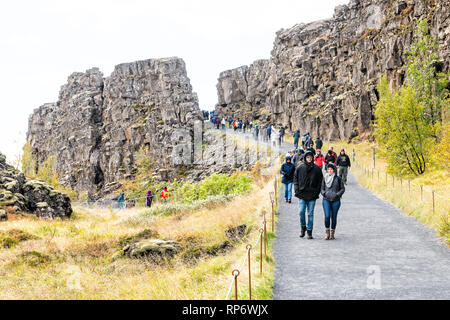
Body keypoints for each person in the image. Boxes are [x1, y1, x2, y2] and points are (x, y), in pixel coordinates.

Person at [293, 151, 323, 239]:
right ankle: (303, 228)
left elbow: (320, 181)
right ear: (305, 158)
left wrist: (317, 192)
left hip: (312, 195)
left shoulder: (317, 169)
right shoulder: (300, 167)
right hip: (302, 194)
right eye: (307, 157)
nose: (309, 159)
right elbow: (295, 178)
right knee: (301, 212)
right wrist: (296, 189)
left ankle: (309, 231)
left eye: (310, 157)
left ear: (312, 158)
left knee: (310, 214)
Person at [321, 163, 345, 240]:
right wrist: (324, 193)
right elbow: (322, 188)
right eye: (328, 169)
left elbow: (342, 188)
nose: (329, 170)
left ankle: (332, 233)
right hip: (326, 200)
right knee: (327, 216)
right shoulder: (325, 178)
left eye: (331, 169)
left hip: (336, 201)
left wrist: (337, 194)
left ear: (334, 170)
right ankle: (327, 232)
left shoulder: (338, 179)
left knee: (333, 217)